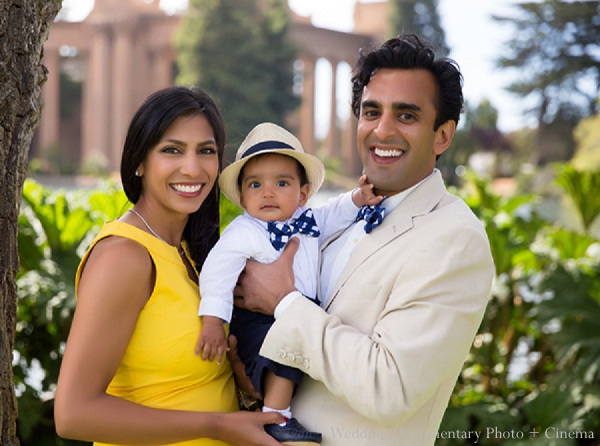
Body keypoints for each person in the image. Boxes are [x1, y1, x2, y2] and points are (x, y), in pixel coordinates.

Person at [233, 34, 496, 446]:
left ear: (442, 135)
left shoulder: (456, 239)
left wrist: (284, 303)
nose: (382, 130)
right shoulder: (334, 215)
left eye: (406, 116)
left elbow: (389, 389)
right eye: (371, 112)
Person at [53, 86, 285, 446]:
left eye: (206, 151)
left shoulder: (193, 254)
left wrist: (241, 377)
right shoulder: (124, 256)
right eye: (172, 150)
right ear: (139, 162)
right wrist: (217, 426)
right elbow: (73, 414)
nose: (192, 168)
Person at [195, 122, 382, 445]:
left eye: (281, 183)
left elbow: (334, 212)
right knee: (284, 354)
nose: (268, 192)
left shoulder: (308, 221)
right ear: (241, 196)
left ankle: (280, 408)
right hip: (257, 317)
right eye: (255, 185)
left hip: (297, 311)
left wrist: (358, 198)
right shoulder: (244, 232)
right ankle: (276, 417)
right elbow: (218, 271)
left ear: (303, 194)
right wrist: (213, 321)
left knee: (294, 354)